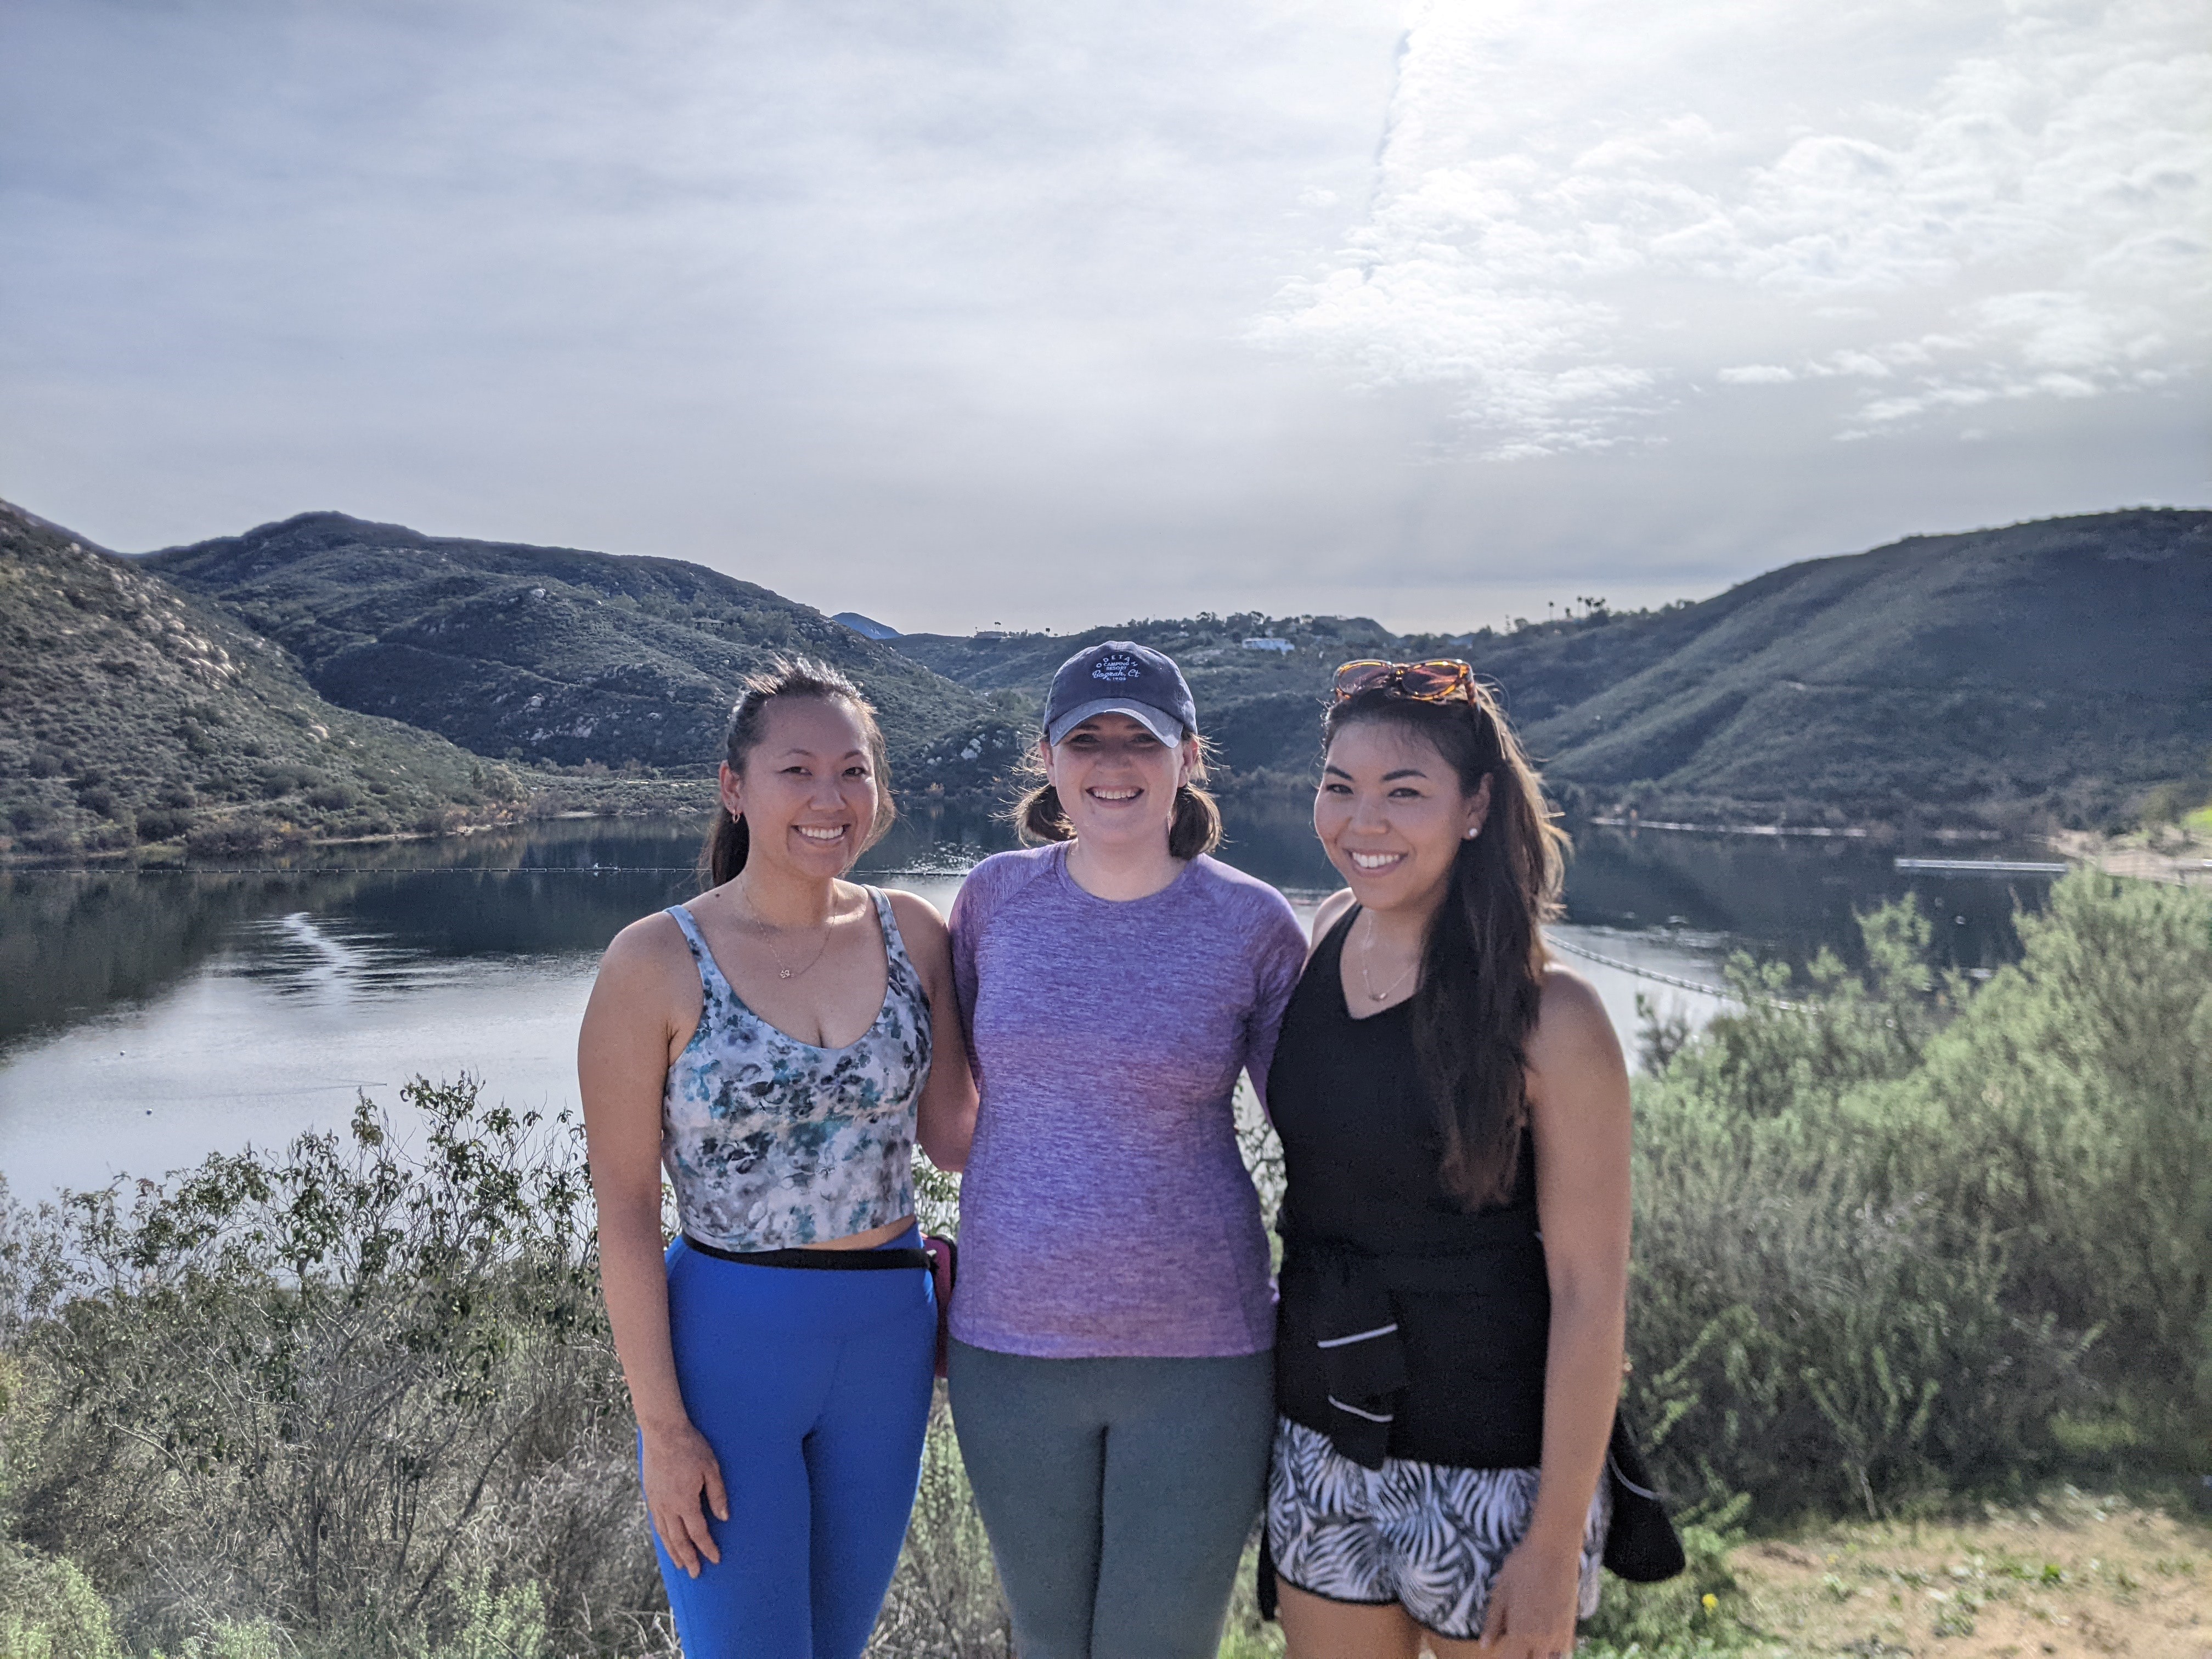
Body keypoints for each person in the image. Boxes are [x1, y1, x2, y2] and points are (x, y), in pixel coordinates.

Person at [578, 658, 975, 1659]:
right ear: (734, 787)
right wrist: (663, 1431)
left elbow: (956, 1137)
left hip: (887, 1342)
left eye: (853, 771)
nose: (828, 799)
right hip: (730, 1350)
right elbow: (623, 1210)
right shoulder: (653, 961)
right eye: (797, 770)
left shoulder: (915, 934)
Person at [933, 640, 1310, 1659]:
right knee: (1047, 1643)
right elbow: (954, 1116)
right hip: (1009, 1348)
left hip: (1204, 1357)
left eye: (1139, 739)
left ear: (1188, 757)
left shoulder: (1253, 923)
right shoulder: (993, 900)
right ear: (1047, 760)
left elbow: (1319, 1129)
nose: (1112, 763)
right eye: (1085, 740)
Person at [1265, 658, 1633, 1659]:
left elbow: (1592, 1291)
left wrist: (1555, 1541)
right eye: (1340, 787)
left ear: (1475, 807)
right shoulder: (1328, 935)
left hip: (1496, 1469)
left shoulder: (1554, 1016)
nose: (1363, 822)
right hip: (1323, 1443)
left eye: (1404, 792)